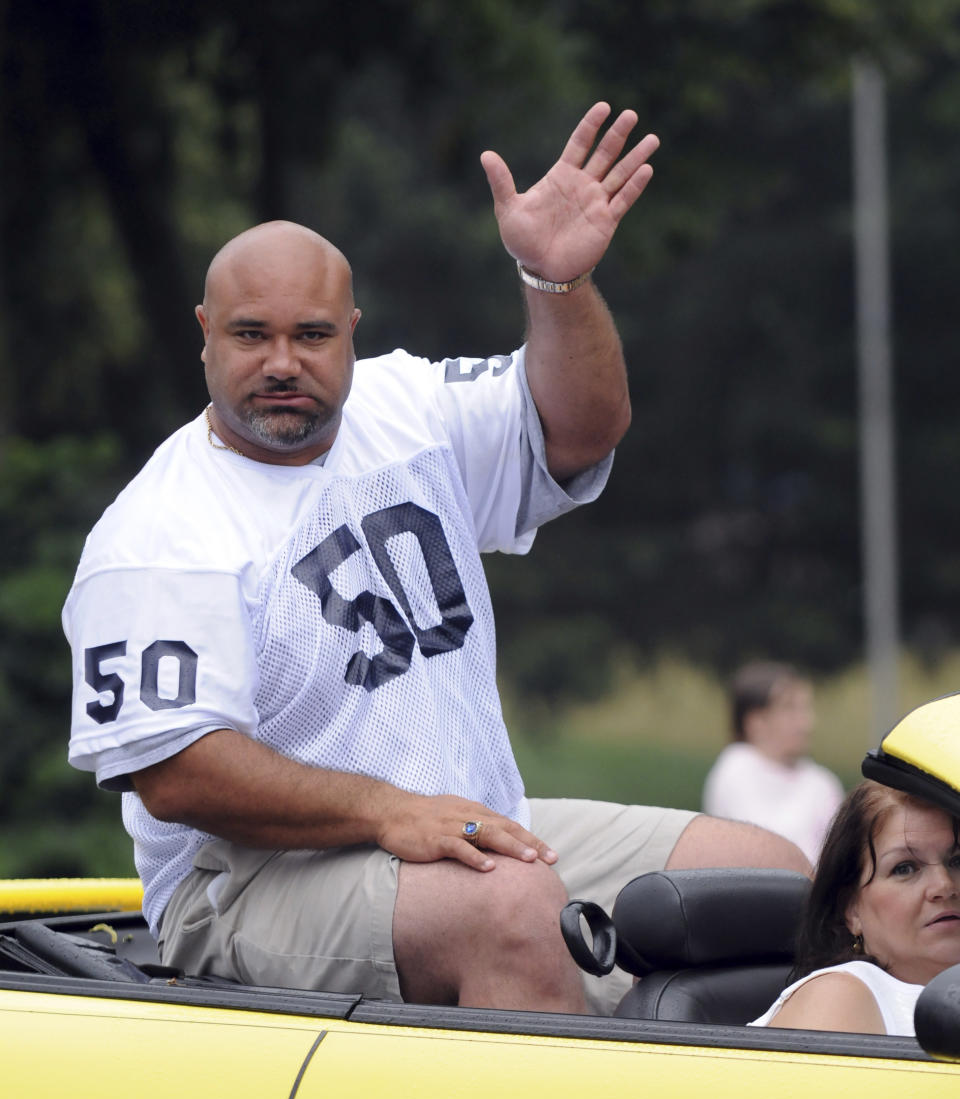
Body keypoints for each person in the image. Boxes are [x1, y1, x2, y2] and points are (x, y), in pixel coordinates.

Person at [63, 102, 808, 1017]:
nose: (283, 362)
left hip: (467, 828)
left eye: (314, 334)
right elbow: (176, 770)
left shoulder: (404, 404)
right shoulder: (156, 532)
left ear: (353, 330)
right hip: (246, 886)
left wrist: (555, 283)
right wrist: (388, 811)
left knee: (770, 877)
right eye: (252, 335)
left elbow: (582, 429)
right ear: (206, 332)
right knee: (507, 906)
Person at [751, 781, 960, 1035]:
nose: (944, 885)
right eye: (904, 868)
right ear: (851, 909)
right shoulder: (839, 996)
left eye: (957, 861)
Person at [702, 660, 844, 865]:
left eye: (805, 709)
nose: (806, 723)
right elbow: (754, 853)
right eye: (789, 708)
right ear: (755, 722)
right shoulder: (735, 769)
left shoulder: (822, 782)